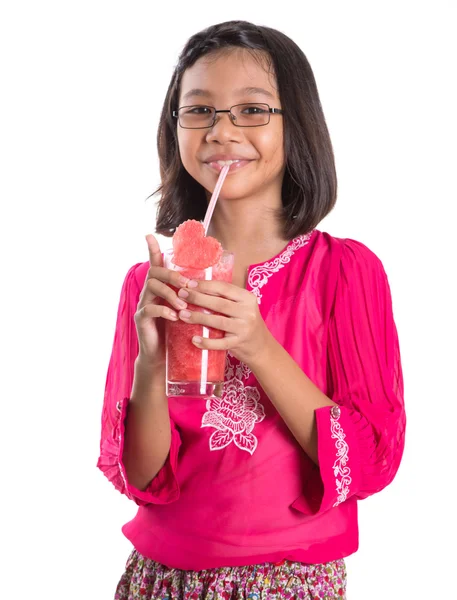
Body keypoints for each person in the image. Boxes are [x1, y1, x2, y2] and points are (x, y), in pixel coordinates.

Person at [97, 20, 406, 600]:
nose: (222, 131)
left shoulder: (344, 272)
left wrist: (258, 345)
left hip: (291, 580)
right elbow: (142, 475)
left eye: (253, 110)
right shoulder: (151, 282)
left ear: (299, 127)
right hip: (159, 580)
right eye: (200, 111)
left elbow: (367, 464)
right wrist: (150, 360)